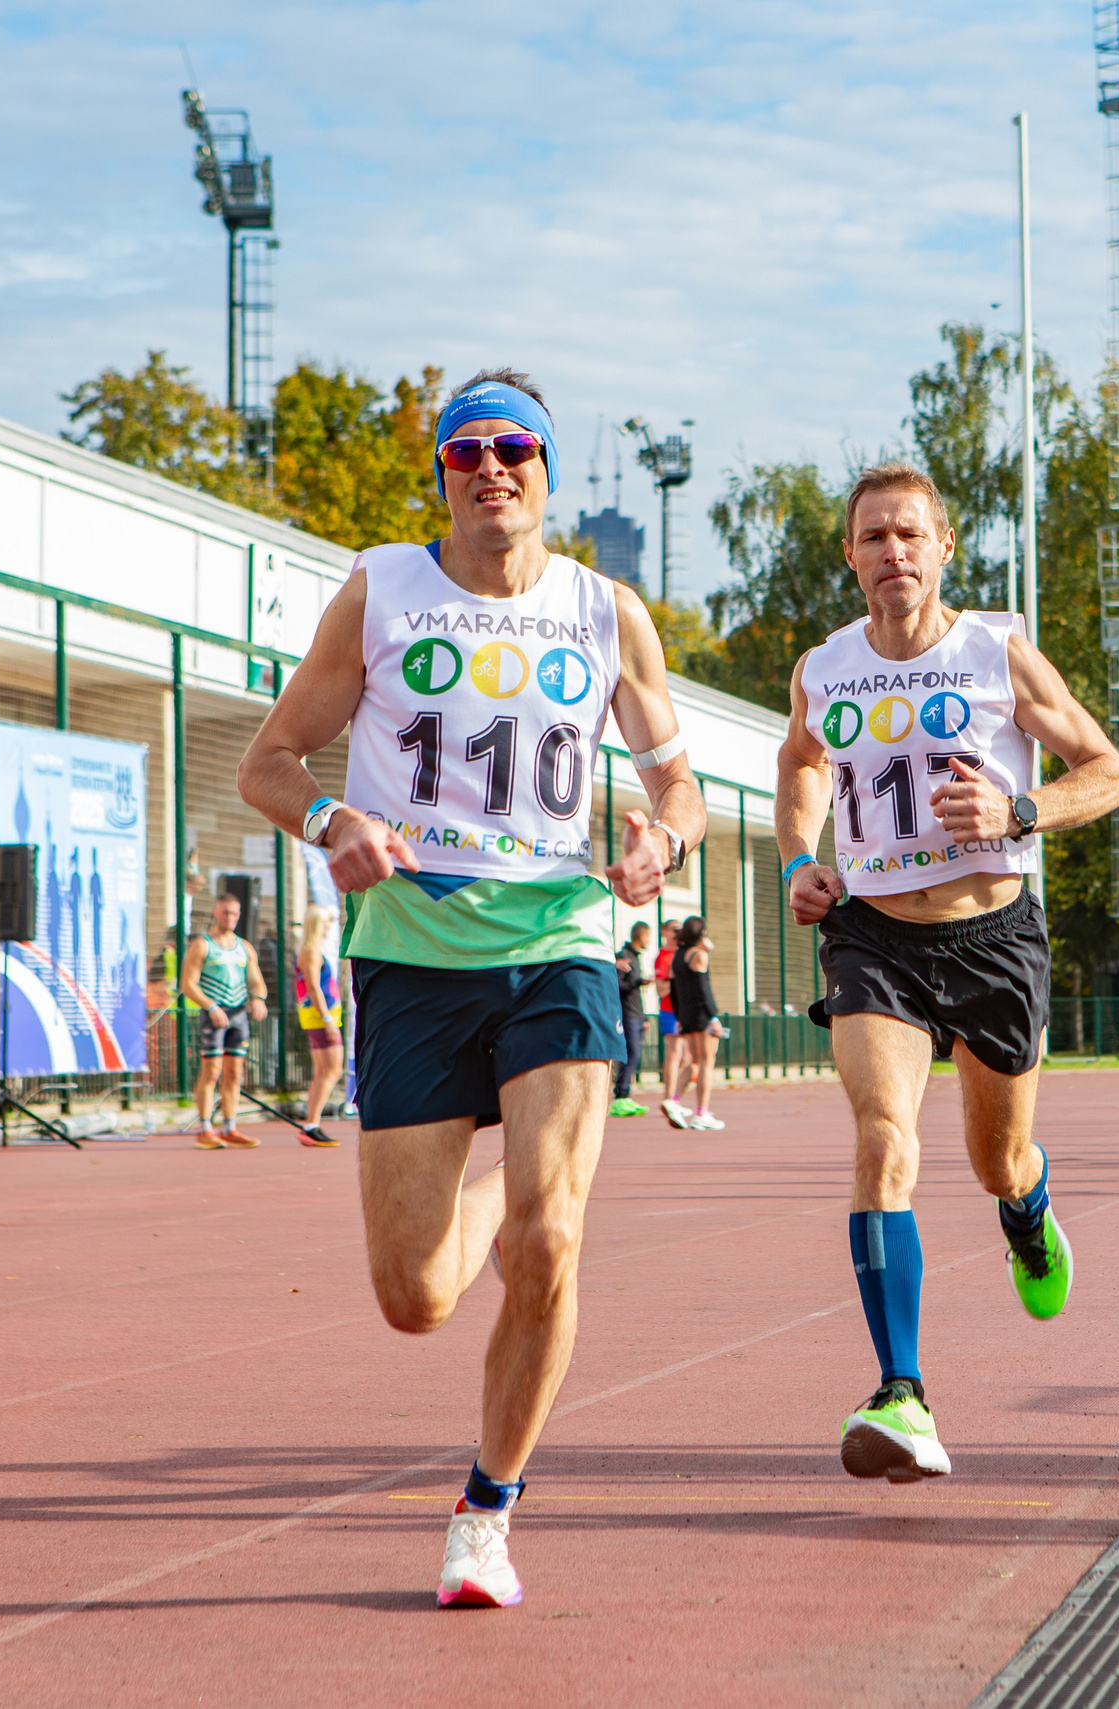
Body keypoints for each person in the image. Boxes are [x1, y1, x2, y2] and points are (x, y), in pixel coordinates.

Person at [236, 368, 706, 1608]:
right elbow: (268, 761)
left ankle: (486, 1512)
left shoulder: (605, 610)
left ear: (547, 469)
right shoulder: (381, 589)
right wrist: (332, 819)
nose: (491, 468)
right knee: (417, 1298)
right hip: (412, 952)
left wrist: (663, 839)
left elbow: (681, 785)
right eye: (466, 451)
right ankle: (505, 1184)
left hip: (559, 939)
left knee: (552, 1238)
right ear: (442, 474)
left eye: (514, 448)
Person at [777, 463, 1119, 1483]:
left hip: (993, 938)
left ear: (943, 548)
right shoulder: (824, 666)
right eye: (872, 536)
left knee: (995, 1160)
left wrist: (1020, 811)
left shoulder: (996, 652)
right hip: (873, 938)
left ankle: (1027, 1207)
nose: (892, 551)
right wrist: (799, 858)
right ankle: (902, 1392)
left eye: (909, 534)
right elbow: (802, 761)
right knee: (882, 1141)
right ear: (850, 555)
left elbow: (1107, 770)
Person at [180, 893, 267, 1148]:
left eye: (235, 913)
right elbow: (188, 984)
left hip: (238, 1016)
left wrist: (259, 999)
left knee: (235, 1072)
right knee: (211, 1071)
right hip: (214, 1016)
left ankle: (230, 1127)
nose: (230, 917)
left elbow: (257, 982)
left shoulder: (244, 947)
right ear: (216, 913)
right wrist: (211, 1006)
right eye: (225, 912)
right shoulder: (203, 945)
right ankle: (205, 1127)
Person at [294, 904, 345, 1146]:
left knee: (322, 1072)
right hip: (320, 1017)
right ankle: (312, 1123)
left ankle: (311, 1123)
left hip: (317, 1016)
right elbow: (313, 987)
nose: (328, 927)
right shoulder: (311, 952)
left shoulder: (309, 950)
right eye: (325, 923)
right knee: (332, 1070)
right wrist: (327, 1020)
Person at [668, 915, 723, 1130]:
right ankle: (701, 1113)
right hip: (701, 1016)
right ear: (701, 933)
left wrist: (679, 1017)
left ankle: (674, 1101)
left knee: (695, 1062)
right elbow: (703, 989)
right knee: (706, 1064)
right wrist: (713, 1017)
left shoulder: (677, 956)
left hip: (686, 1016)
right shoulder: (699, 955)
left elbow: (674, 991)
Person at [611, 923, 651, 1117]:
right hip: (626, 1014)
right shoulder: (623, 956)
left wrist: (644, 1018)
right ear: (641, 936)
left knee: (634, 1054)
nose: (649, 940)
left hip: (636, 1015)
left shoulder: (636, 957)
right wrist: (638, 982)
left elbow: (636, 993)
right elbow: (617, 986)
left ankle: (625, 1094)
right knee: (630, 1053)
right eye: (648, 936)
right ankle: (621, 1095)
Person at [653, 920, 681, 1118]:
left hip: (685, 1011)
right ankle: (668, 1098)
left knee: (688, 1058)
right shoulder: (663, 958)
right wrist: (678, 979)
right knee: (674, 1053)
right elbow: (661, 990)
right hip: (670, 1010)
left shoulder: (684, 953)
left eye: (681, 930)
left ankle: (675, 1098)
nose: (677, 933)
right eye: (674, 930)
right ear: (664, 932)